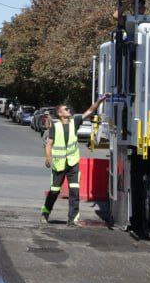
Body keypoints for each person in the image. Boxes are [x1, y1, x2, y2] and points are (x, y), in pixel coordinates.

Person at [41, 95, 107, 225]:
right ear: (60, 113)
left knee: (74, 191)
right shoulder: (56, 126)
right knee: (54, 191)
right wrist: (48, 158)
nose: (69, 110)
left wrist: (100, 100)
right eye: (66, 109)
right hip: (59, 164)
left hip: (72, 163)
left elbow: (90, 111)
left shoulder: (75, 121)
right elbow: (49, 144)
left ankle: (73, 219)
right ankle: (45, 212)